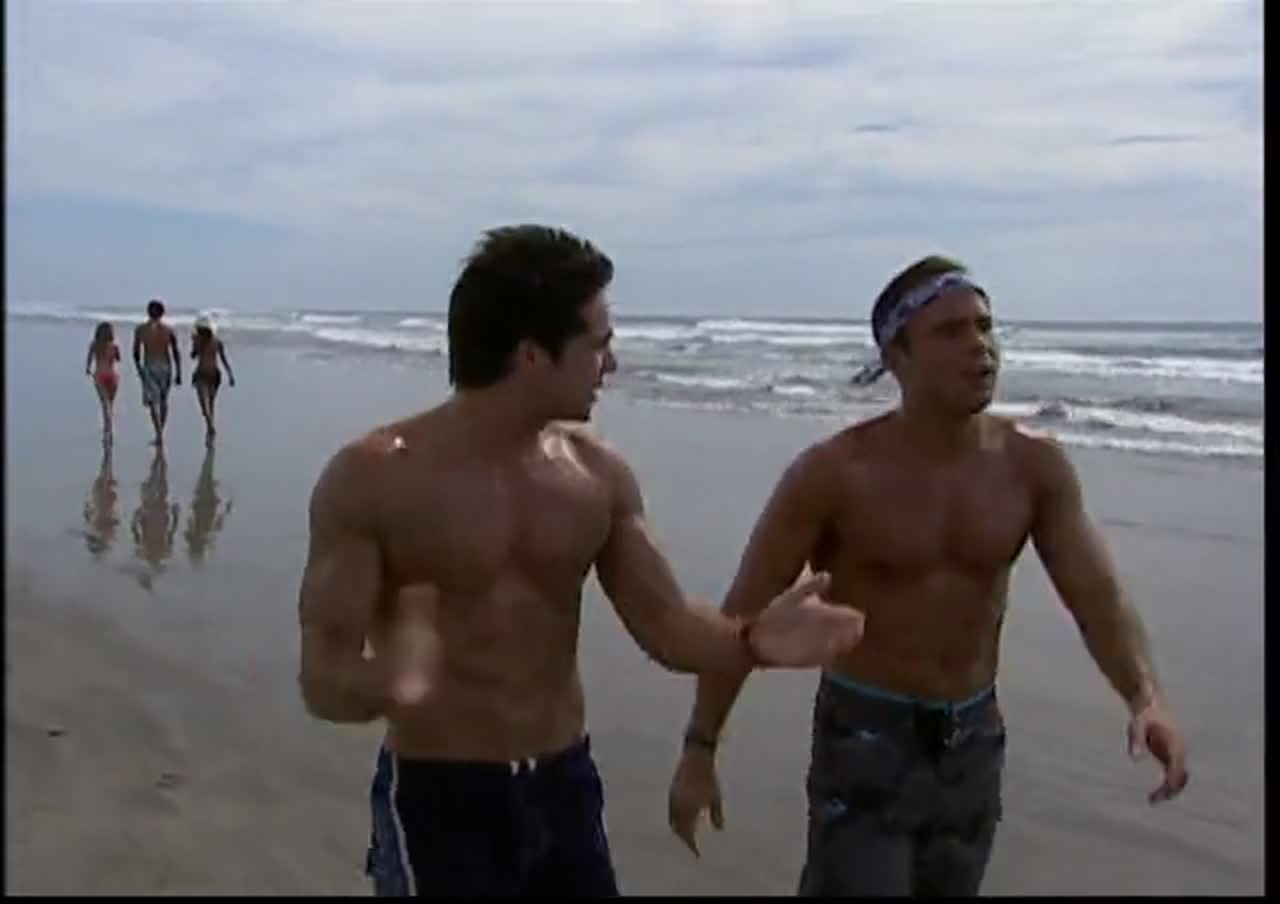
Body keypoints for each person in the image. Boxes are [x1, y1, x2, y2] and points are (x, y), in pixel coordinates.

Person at [296, 224, 865, 897]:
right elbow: (322, 679)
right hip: (437, 797)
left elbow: (667, 626)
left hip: (563, 787)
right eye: (598, 344)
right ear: (532, 355)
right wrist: (391, 683)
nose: (611, 365)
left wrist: (751, 642)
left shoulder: (596, 476)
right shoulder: (373, 479)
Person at [666, 255, 1190, 897]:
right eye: (950, 331)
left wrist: (1145, 698)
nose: (980, 346)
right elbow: (743, 615)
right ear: (898, 356)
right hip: (867, 738)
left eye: (985, 326)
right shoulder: (834, 474)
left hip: (974, 741)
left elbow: (1096, 595)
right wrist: (700, 748)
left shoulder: (1033, 467)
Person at [132, 299, 182, 446]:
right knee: (163, 401)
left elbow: (135, 352)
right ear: (162, 313)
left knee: (153, 402)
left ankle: (158, 433)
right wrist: (178, 372)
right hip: (166, 367)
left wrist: (138, 368)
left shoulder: (141, 330)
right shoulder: (169, 330)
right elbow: (176, 352)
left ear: (148, 312)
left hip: (149, 366)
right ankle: (160, 433)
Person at [190, 314, 236, 442]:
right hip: (214, 374)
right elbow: (223, 359)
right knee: (211, 404)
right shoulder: (217, 342)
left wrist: (195, 343)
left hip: (202, 373)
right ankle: (210, 425)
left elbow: (193, 356)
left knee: (203, 405)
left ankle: (210, 425)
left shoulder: (198, 341)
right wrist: (230, 374)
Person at [84, 321, 121, 440]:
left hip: (100, 375)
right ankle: (108, 427)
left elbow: (89, 359)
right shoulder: (114, 346)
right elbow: (118, 359)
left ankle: (107, 429)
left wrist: (88, 369)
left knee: (105, 404)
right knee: (110, 404)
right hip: (112, 375)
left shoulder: (94, 345)